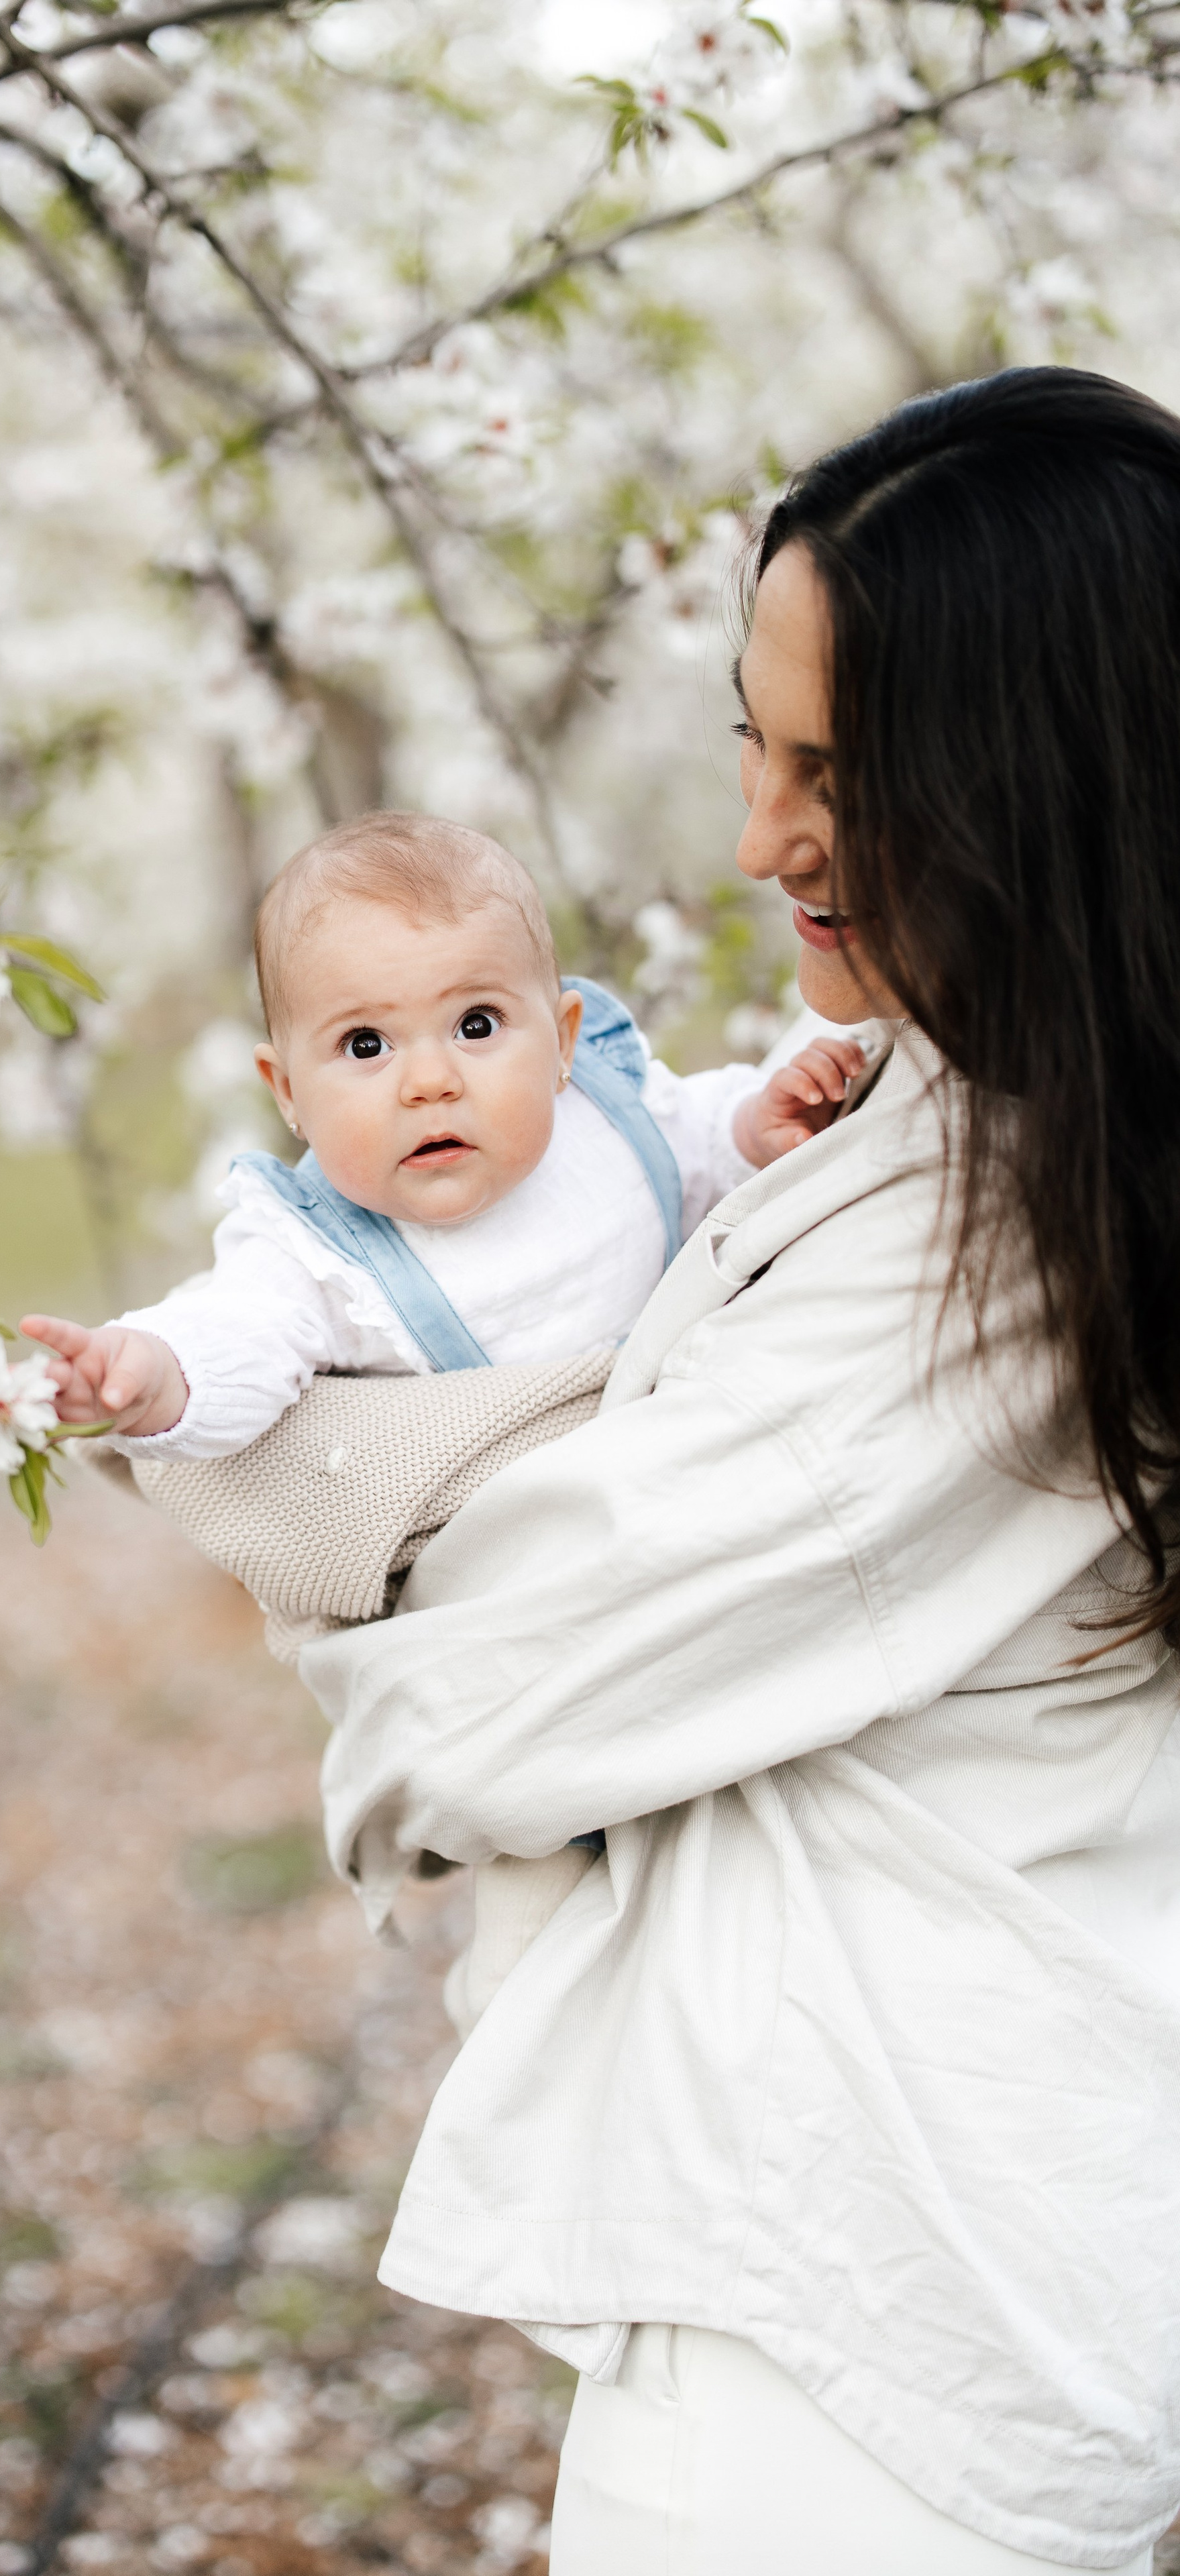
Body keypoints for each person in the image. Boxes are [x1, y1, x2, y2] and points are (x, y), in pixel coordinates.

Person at [300, 368, 1180, 2574]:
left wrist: (312, 1464)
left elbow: (464, 1704)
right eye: (755, 744)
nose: (764, 841)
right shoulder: (994, 1123)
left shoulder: (993, 1261)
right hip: (956, 2261)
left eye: (841, 775)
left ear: (1041, 783)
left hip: (860, 2343)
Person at [18, 811, 861, 1452]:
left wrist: (757, 1123)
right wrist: (154, 1375)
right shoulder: (322, 1256)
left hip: (706, 1441)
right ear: (288, 1094)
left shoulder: (603, 1110)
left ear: (562, 1041)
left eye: (477, 1024)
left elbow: (699, 1142)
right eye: (366, 1045)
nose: (429, 1082)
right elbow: (237, 1333)